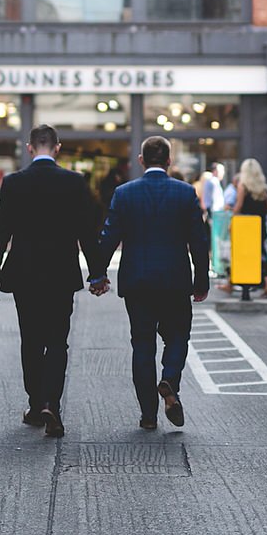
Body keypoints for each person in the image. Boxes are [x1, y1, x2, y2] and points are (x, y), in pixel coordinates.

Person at [0, 125, 109, 438]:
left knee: (31, 339)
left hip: (25, 274)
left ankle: (35, 402)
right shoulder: (74, 182)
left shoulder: (14, 183)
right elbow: (86, 231)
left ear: (30, 148)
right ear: (57, 148)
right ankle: (52, 403)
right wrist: (97, 273)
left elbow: (2, 229)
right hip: (60, 273)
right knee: (57, 341)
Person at [96, 134, 209, 430]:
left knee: (142, 346)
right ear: (169, 161)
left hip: (138, 282)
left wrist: (98, 274)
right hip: (175, 281)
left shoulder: (124, 193)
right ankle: (170, 379)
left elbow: (109, 238)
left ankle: (148, 415)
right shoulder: (185, 194)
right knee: (178, 337)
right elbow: (199, 242)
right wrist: (201, 281)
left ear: (142, 160)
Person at [234, 157, 267, 296]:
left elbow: (238, 206)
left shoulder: (242, 186)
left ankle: (237, 284)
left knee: (242, 255)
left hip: (245, 226)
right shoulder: (263, 188)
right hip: (260, 224)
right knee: (262, 254)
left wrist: (233, 219)